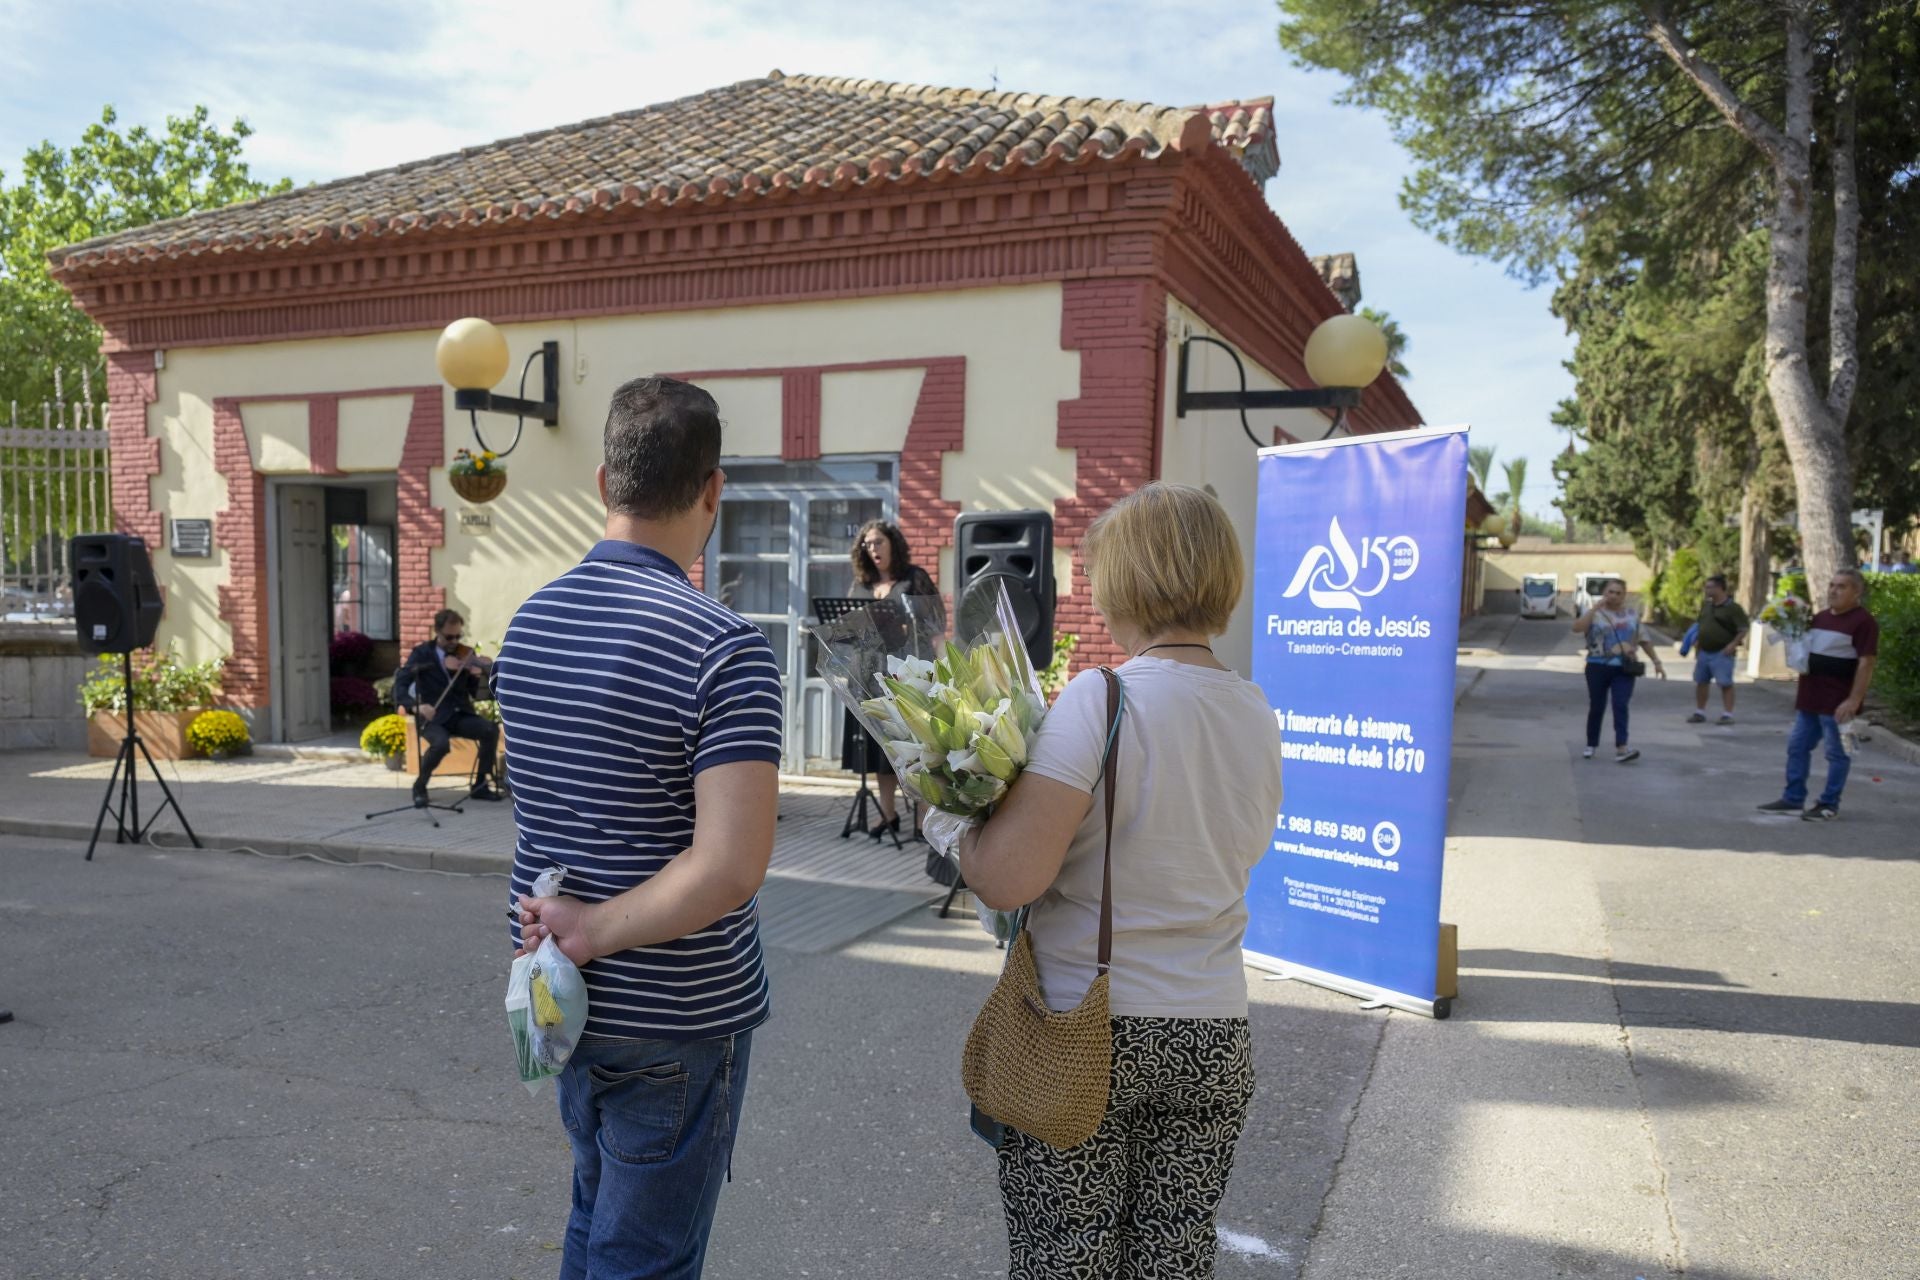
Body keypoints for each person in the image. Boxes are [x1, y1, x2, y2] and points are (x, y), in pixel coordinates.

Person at [934, 482, 1284, 1278]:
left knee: (1067, 1262)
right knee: (1173, 1261)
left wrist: (951, 824)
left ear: (1126, 580)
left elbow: (1009, 878)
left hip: (1091, 1031)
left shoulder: (1104, 697)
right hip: (1213, 1031)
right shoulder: (1255, 710)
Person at [497, 376, 783, 1279]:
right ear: (712, 489)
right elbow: (731, 867)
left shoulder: (531, 624)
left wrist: (572, 933)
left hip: (564, 1005)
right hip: (676, 1014)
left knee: (594, 1223)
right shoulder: (722, 645)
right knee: (641, 1258)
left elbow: (548, 801)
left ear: (602, 483)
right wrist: (597, 930)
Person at [842, 519, 944, 840]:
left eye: (878, 543)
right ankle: (888, 814)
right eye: (867, 545)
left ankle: (922, 818)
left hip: (903, 677)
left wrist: (942, 668)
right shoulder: (861, 585)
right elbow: (846, 629)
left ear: (893, 544)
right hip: (866, 677)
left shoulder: (914, 579)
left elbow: (935, 623)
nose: (872, 550)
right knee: (878, 751)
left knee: (913, 750)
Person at [1758, 568, 1878, 822]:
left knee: (1837, 753)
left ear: (1857, 592)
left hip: (1837, 703)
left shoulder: (1863, 622)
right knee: (1797, 747)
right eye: (1832, 585)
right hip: (1810, 698)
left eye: (1842, 586)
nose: (1833, 590)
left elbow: (1866, 663)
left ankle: (1828, 804)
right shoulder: (1819, 618)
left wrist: (1854, 700)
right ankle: (1793, 798)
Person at [393, 608, 501, 806]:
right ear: (437, 631)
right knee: (441, 744)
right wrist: (417, 706)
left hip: (459, 714)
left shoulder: (464, 655)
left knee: (490, 730)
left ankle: (480, 785)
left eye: (458, 636)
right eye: (449, 637)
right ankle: (420, 785)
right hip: (432, 716)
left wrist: (476, 676)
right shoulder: (422, 654)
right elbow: (400, 684)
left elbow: (473, 693)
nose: (454, 642)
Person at [1571, 577, 1665, 762]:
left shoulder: (1631, 615)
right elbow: (1577, 628)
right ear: (1604, 593)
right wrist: (1594, 609)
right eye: (1610, 592)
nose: (1613, 596)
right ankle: (1591, 744)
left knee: (1620, 704)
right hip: (1597, 666)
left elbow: (1644, 639)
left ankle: (1622, 747)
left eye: (1618, 593)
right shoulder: (1595, 614)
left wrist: (1656, 661)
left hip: (1624, 668)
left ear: (1624, 596)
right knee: (1597, 706)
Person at [1687, 574, 1749, 725]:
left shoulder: (1733, 608)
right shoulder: (1706, 606)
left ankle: (1727, 714)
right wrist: (1696, 641)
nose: (1706, 590)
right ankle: (1699, 712)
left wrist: (1733, 644)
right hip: (1704, 651)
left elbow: (1743, 628)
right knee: (1701, 681)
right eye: (1706, 587)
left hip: (1722, 652)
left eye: (1710, 587)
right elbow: (1700, 624)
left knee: (1725, 683)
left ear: (1720, 588)